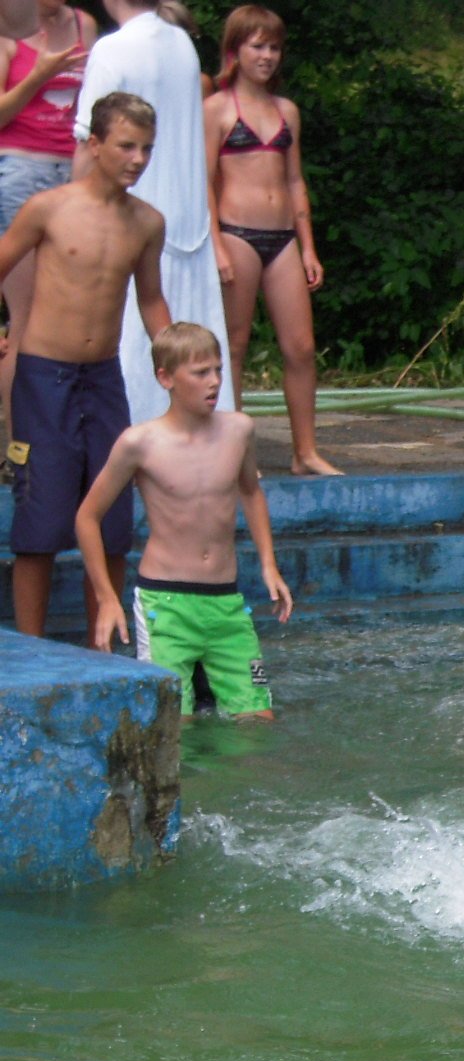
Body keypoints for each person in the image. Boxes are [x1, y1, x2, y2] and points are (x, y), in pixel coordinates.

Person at [1, 92, 167, 638]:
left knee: (112, 514)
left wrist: (177, 356)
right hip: (42, 377)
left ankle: (104, 645)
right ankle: (32, 645)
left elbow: (151, 300)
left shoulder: (147, 222)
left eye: (146, 148)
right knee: (42, 515)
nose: (137, 159)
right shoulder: (49, 208)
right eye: (126, 146)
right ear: (94, 145)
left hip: (103, 379)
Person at [76, 322, 292, 721]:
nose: (215, 382)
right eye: (200, 373)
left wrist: (269, 564)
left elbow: (250, 492)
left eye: (218, 370)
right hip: (166, 603)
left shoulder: (239, 430)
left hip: (227, 604)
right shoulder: (140, 443)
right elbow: (87, 517)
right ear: (166, 378)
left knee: (259, 718)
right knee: (175, 723)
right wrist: (107, 598)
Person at [72, 0, 233, 425]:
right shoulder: (182, 44)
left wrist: (71, 219)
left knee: (126, 348)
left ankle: (124, 444)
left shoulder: (113, 49)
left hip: (128, 222)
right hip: (187, 224)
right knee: (188, 345)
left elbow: (89, 146)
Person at [205, 5, 339, 476]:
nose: (266, 56)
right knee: (234, 345)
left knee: (301, 346)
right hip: (236, 232)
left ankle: (305, 451)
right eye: (257, 46)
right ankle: (236, 451)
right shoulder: (217, 109)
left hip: (283, 237)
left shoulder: (287, 111)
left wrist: (308, 247)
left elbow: (295, 180)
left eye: (274, 47)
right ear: (235, 50)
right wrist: (215, 244)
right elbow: (204, 182)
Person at [0, 0, 95, 461]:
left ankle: (63, 436)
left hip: (73, 173)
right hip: (22, 170)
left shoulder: (84, 25)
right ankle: (17, 448)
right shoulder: (7, 32)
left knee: (70, 310)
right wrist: (38, 75)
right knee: (24, 317)